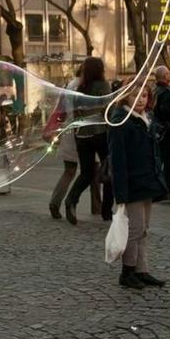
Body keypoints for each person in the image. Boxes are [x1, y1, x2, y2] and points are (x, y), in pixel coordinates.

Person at [108, 80, 167, 289]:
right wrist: (121, 193)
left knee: (144, 229)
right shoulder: (120, 121)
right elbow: (117, 160)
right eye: (136, 96)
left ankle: (142, 270)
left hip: (147, 181)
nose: (141, 100)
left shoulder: (147, 119)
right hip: (132, 184)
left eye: (144, 96)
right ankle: (127, 272)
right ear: (126, 98)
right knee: (134, 229)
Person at [65, 57, 113, 224]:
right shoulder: (103, 86)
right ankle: (107, 211)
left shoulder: (80, 88)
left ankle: (71, 199)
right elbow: (109, 110)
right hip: (100, 133)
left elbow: (76, 113)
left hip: (82, 136)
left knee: (86, 173)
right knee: (109, 171)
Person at [153, 66, 170, 197]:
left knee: (159, 160)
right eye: (169, 74)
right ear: (165, 76)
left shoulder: (155, 90)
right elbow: (167, 112)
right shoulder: (166, 92)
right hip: (167, 131)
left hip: (157, 130)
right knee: (168, 161)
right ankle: (164, 189)